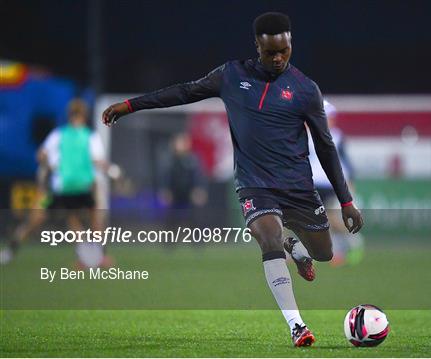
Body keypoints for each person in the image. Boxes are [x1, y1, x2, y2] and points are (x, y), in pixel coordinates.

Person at [102, 12, 363, 347]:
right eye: (271, 52)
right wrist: (131, 105)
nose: (279, 57)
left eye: (285, 50)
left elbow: (326, 148)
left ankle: (294, 245)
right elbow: (184, 92)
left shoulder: (305, 89)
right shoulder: (231, 75)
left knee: (324, 254)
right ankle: (297, 325)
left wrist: (346, 201)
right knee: (267, 238)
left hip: (297, 186)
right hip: (254, 183)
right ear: (257, 46)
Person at [0, 99, 114, 268]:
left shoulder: (58, 135)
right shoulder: (90, 136)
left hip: (57, 189)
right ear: (84, 115)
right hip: (83, 188)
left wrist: (48, 167)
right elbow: (98, 161)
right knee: (93, 219)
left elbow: (40, 155)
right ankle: (96, 256)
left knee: (37, 220)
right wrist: (114, 172)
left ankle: (9, 252)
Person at [307, 100, 364, 266]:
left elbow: (345, 162)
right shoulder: (307, 135)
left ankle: (354, 243)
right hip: (313, 184)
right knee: (316, 220)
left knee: (333, 219)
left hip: (331, 183)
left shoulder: (337, 137)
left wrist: (350, 182)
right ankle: (325, 253)